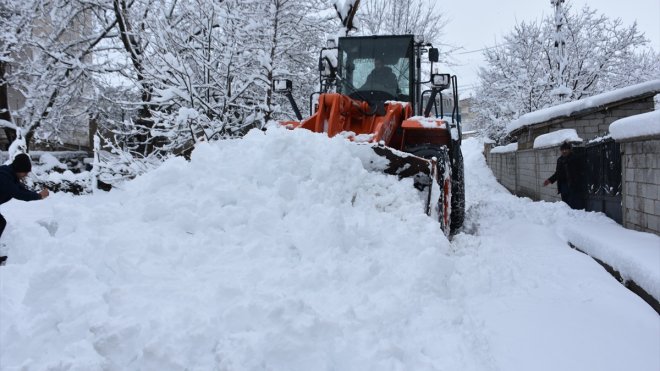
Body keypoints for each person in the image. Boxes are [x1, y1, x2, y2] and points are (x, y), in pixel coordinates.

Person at [0, 153, 49, 265]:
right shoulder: (4, 176)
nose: (26, 174)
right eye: (26, 172)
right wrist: (39, 196)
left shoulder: (10, 175)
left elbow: (21, 189)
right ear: (19, 168)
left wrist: (37, 195)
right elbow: (18, 193)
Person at [543, 142, 583, 209]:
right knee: (565, 206)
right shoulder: (560, 160)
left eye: (566, 149)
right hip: (563, 186)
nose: (564, 151)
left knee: (574, 206)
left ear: (569, 150)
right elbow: (557, 173)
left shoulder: (575, 158)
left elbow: (581, 171)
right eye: (562, 150)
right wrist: (549, 180)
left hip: (573, 186)